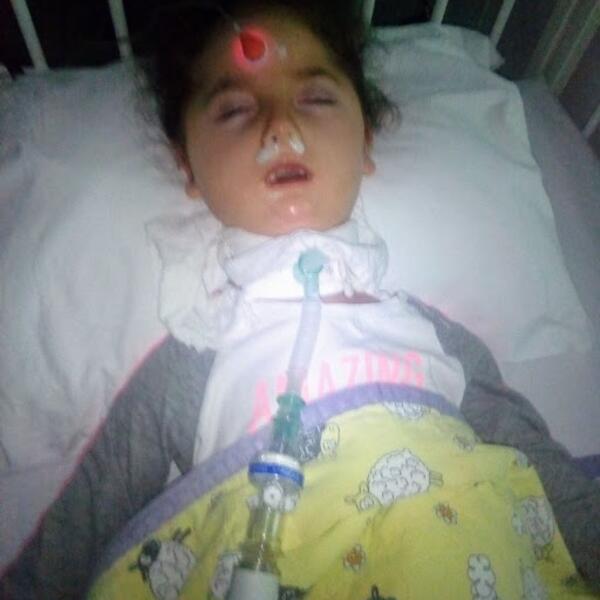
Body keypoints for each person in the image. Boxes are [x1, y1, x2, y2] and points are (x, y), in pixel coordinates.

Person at [2, 1, 598, 598]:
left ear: (364, 141)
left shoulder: (434, 336)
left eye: (314, 99)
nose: (280, 129)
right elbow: (74, 537)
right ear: (188, 166)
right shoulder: (194, 359)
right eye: (235, 109)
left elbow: (542, 474)